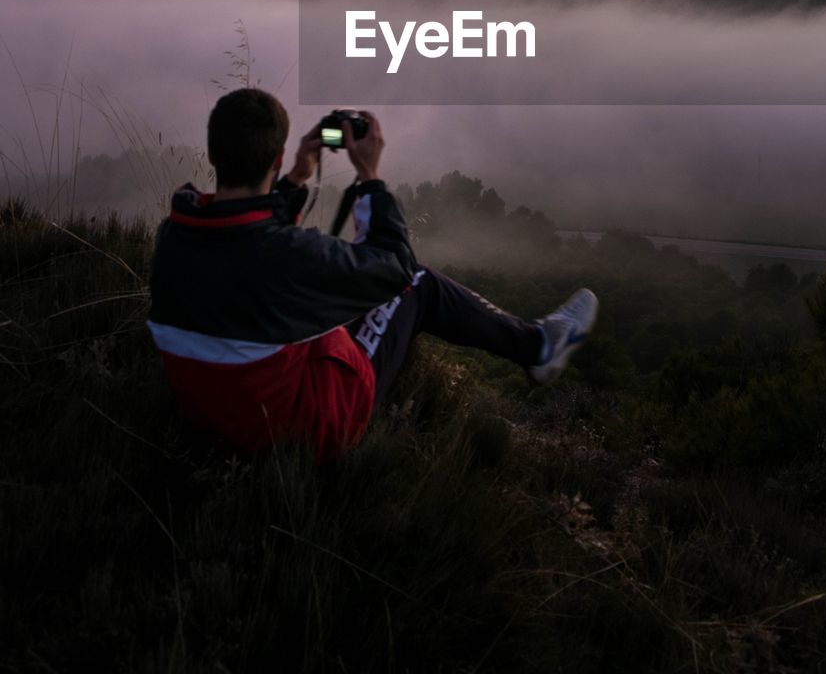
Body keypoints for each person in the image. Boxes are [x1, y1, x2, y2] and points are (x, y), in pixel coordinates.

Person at [147, 88, 599, 464]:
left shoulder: (176, 234)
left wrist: (295, 182)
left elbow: (248, 241)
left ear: (211, 151)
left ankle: (535, 344)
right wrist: (369, 177)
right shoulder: (287, 257)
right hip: (297, 433)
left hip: (214, 412)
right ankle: (538, 347)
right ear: (278, 154)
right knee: (418, 283)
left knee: (334, 304)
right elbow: (394, 268)